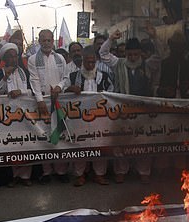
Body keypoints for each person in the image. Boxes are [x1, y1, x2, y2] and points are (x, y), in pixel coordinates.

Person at [100, 30, 153, 183]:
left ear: (140, 53)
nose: (133, 58)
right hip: (123, 110)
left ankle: (144, 171)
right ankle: (121, 170)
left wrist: (155, 37)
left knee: (143, 141)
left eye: (136, 54)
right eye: (130, 55)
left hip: (143, 110)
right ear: (126, 54)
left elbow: (161, 54)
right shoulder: (119, 63)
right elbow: (103, 53)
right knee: (122, 141)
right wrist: (110, 39)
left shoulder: (147, 64)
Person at [62, 45, 113, 187]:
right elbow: (63, 91)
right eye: (87, 62)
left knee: (100, 145)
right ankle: (80, 175)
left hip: (100, 118)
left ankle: (99, 174)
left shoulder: (105, 77)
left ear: (96, 61)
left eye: (92, 62)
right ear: (82, 61)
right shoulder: (73, 77)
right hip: (79, 119)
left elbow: (113, 92)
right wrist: (70, 89)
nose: (90, 65)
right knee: (80, 146)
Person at [27, 29, 69, 183]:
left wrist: (59, 86)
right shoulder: (32, 59)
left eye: (49, 40)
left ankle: (61, 171)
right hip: (42, 101)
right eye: (43, 40)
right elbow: (34, 80)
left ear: (53, 41)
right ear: (39, 41)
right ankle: (46, 172)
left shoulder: (60, 58)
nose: (46, 43)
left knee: (59, 135)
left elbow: (65, 78)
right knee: (44, 136)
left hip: (58, 100)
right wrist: (39, 100)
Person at [0, 42, 33, 187]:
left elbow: (31, 90)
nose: (13, 60)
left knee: (25, 145)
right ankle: (14, 176)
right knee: (12, 147)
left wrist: (20, 92)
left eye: (15, 56)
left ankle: (25, 176)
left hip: (25, 114)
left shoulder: (24, 72)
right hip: (6, 117)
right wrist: (5, 77)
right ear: (4, 59)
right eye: (10, 57)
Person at [157, 32, 189, 99]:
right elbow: (154, 86)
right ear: (171, 46)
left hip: (184, 102)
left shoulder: (188, 64)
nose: (178, 50)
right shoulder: (163, 63)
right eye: (176, 47)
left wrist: (188, 87)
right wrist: (163, 90)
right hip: (167, 102)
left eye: (180, 47)